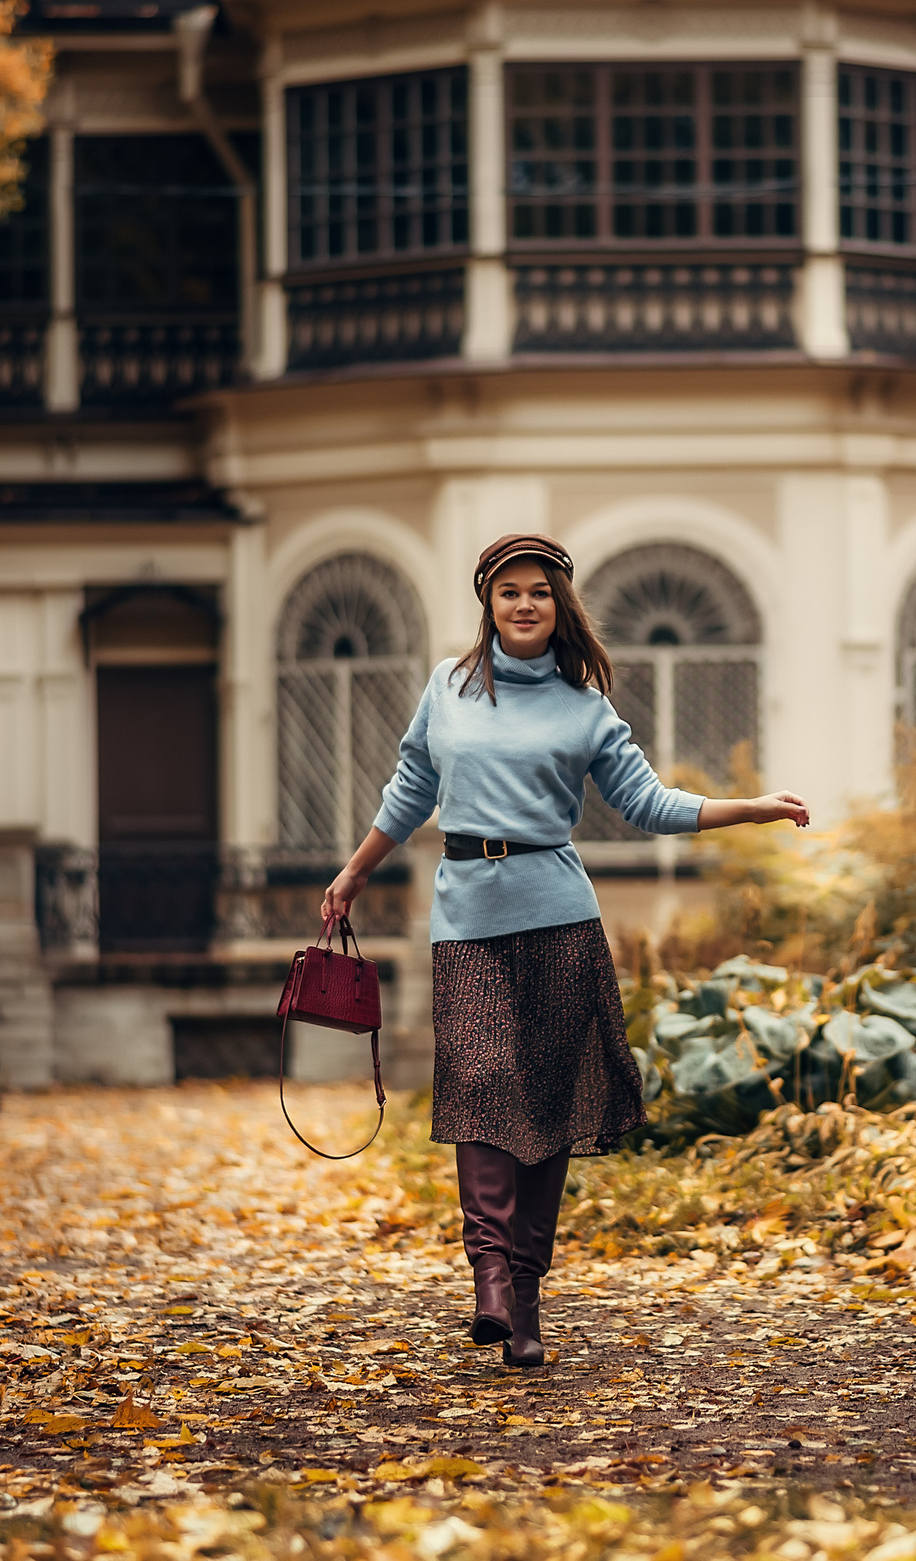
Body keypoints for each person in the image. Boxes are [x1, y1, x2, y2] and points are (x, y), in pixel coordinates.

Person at [321, 532, 809, 1370]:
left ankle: (528, 1294)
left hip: (557, 915)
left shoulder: (585, 707)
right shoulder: (448, 685)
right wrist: (355, 872)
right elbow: (409, 788)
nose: (523, 603)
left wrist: (751, 808)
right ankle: (490, 1278)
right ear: (488, 602)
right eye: (508, 590)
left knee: (545, 1109)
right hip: (466, 914)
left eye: (538, 592)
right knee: (477, 1085)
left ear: (559, 606)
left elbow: (648, 802)